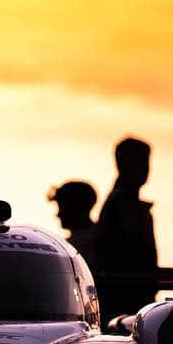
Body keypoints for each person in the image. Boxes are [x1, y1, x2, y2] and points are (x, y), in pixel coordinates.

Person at [95, 136, 158, 320]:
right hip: (125, 299)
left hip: (132, 293)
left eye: (146, 162)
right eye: (139, 162)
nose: (145, 169)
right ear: (121, 164)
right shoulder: (123, 203)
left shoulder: (125, 201)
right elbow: (136, 249)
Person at [48, 181, 98, 267]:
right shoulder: (70, 244)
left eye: (62, 206)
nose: (58, 215)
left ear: (76, 206)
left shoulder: (93, 244)